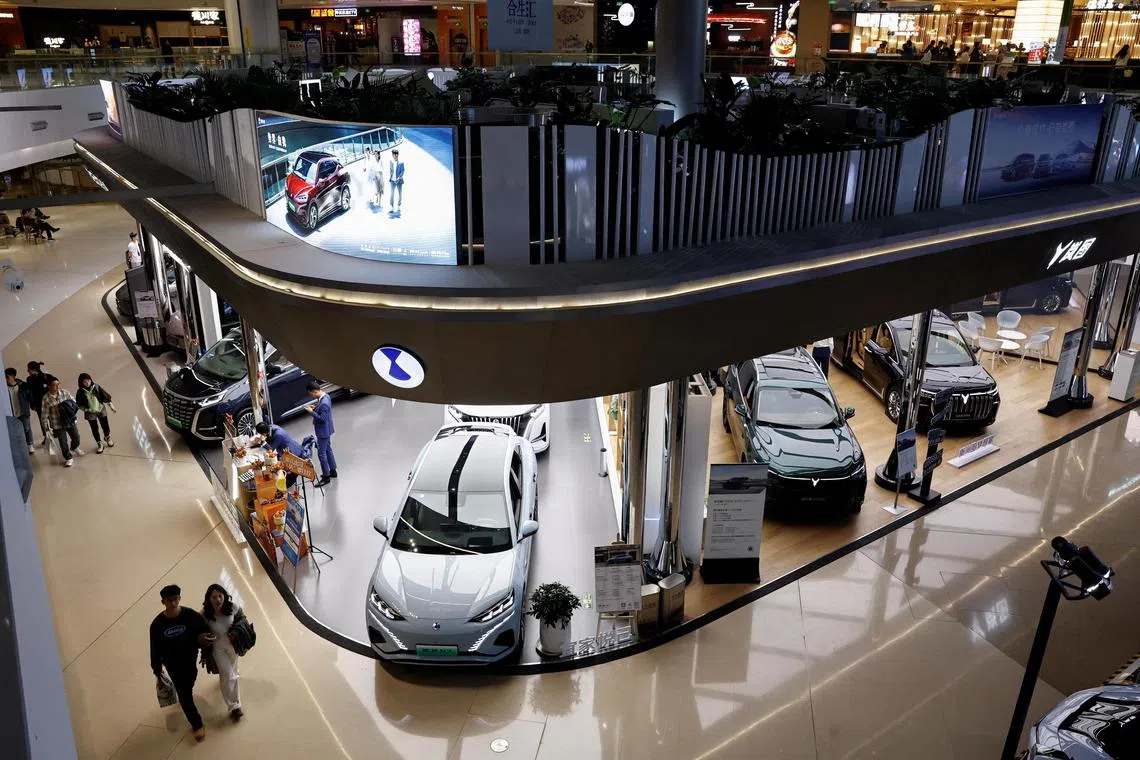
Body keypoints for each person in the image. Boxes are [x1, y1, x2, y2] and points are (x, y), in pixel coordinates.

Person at [150, 584, 211, 742]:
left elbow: (206, 632)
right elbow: (155, 650)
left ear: (180, 598)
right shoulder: (157, 625)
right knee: (184, 693)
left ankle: (187, 697)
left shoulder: (191, 615)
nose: (173, 603)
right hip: (173, 666)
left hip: (190, 661)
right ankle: (197, 724)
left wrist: (206, 652)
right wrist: (158, 672)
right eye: (169, 600)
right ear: (163, 602)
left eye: (176, 599)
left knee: (189, 684)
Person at [201, 584, 245, 722]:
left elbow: (242, 618)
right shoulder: (204, 614)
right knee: (228, 674)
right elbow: (199, 631)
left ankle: (229, 689)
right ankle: (235, 706)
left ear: (224, 596)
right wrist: (204, 638)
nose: (218, 600)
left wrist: (237, 632)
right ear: (209, 599)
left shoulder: (233, 607)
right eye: (214, 597)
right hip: (217, 649)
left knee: (231, 672)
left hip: (233, 647)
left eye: (220, 596)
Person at [42, 374, 83, 467]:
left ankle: (74, 447)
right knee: (63, 443)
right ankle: (68, 458)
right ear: (49, 386)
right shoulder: (46, 399)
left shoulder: (64, 392)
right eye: (54, 385)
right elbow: (44, 415)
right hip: (57, 424)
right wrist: (46, 429)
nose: (57, 387)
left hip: (69, 420)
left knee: (76, 437)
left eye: (58, 384)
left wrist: (67, 406)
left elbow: (74, 402)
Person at [304, 380, 336, 486]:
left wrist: (311, 412)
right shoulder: (325, 397)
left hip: (323, 432)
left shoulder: (324, 403)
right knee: (328, 450)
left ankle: (326, 477)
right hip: (327, 429)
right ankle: (333, 471)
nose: (311, 396)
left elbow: (322, 418)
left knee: (321, 454)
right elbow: (322, 411)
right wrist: (315, 408)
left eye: (310, 394)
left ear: (314, 391)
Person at [254, 421, 304, 487]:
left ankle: (286, 485)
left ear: (263, 433)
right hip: (285, 451)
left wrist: (263, 442)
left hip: (294, 455)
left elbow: (271, 449)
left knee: (286, 477)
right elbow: (270, 440)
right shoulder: (271, 427)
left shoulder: (278, 435)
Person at [76, 373, 114, 453]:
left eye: (88, 380)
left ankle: (107, 437)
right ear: (81, 383)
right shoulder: (80, 392)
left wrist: (110, 405)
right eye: (85, 382)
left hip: (101, 409)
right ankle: (99, 443)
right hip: (90, 412)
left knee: (105, 425)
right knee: (94, 428)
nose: (87, 383)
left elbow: (104, 396)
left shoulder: (96, 387)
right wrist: (86, 409)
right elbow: (79, 404)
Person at [5, 368, 35, 454]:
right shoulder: (4, 388)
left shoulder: (23, 386)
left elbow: (30, 396)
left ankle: (30, 445)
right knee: (15, 431)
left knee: (26, 429)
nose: (6, 379)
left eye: (7, 377)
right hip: (12, 413)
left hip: (23, 412)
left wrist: (33, 405)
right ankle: (21, 446)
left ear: (13, 376)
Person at [25, 361, 49, 445]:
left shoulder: (45, 376)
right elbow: (30, 393)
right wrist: (32, 404)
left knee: (52, 418)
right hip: (38, 404)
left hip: (48, 402)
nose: (27, 371)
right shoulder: (29, 379)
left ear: (34, 369)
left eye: (29, 369)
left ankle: (56, 433)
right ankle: (46, 436)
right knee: (42, 421)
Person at [388, 149, 404, 214]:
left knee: (400, 194)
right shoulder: (391, 162)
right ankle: (391, 207)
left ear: (397, 155)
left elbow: (402, 171)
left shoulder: (401, 163)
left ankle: (399, 205)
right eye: (393, 154)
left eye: (395, 154)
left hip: (399, 181)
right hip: (392, 180)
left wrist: (398, 178)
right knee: (391, 194)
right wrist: (390, 177)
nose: (394, 156)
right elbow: (391, 170)